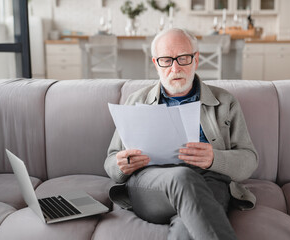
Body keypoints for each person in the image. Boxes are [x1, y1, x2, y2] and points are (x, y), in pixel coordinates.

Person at [104, 28, 258, 240]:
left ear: (196, 59)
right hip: (151, 185)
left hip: (209, 183)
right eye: (166, 60)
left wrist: (215, 158)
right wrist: (121, 165)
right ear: (156, 63)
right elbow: (111, 161)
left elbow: (249, 160)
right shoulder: (136, 101)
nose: (175, 67)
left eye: (183, 58)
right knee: (182, 176)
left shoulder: (225, 102)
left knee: (187, 224)